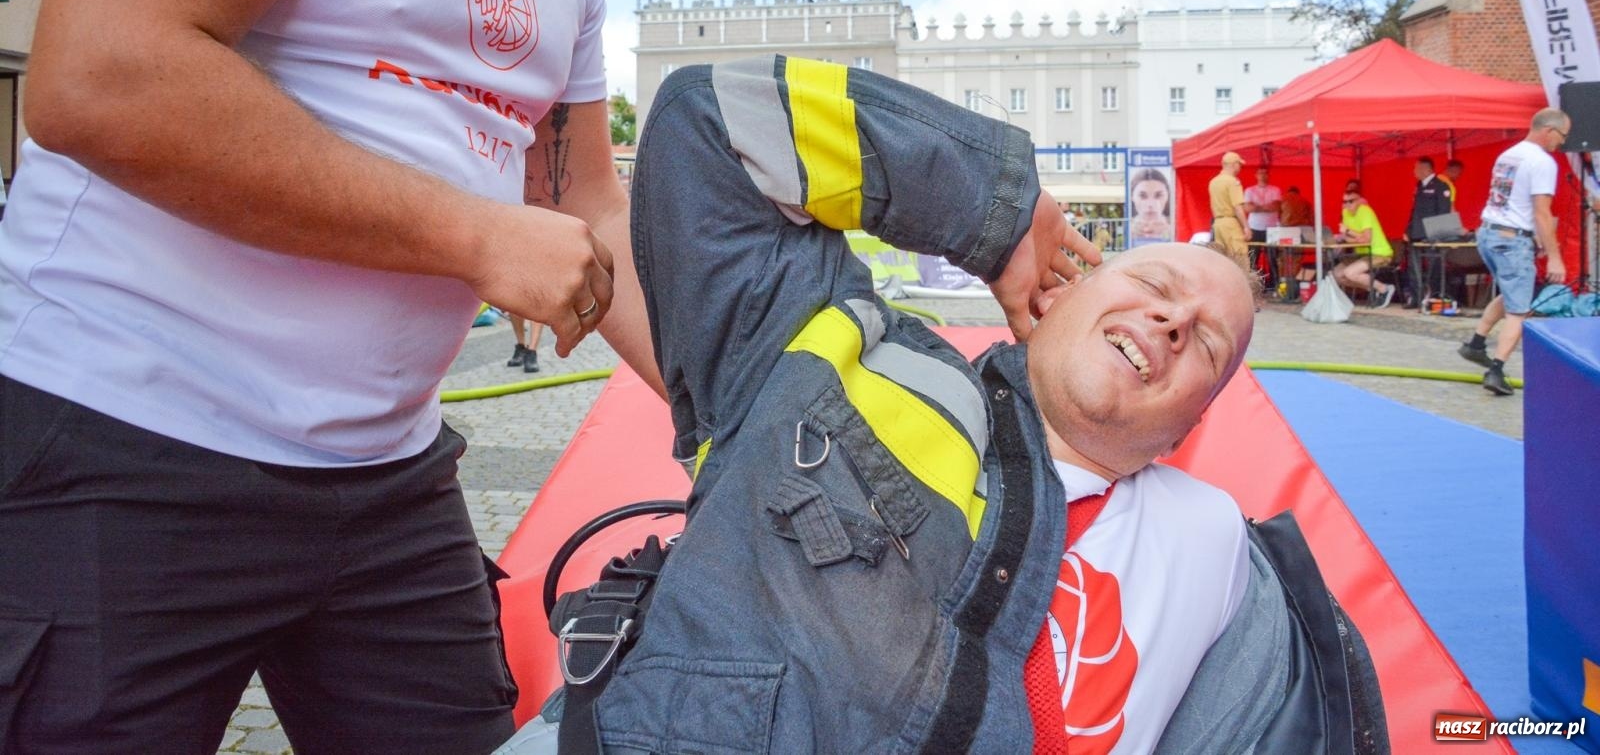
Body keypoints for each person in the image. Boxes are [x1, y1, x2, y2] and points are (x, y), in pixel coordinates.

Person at [0, 0, 686, 751]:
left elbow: (583, 202)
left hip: (385, 480)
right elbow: (99, 75)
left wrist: (734, 411)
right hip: (124, 442)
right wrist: (471, 233)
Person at [510, 57, 1383, 755]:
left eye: (1207, 344)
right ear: (1055, 294)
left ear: (1191, 423)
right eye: (1154, 283)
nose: (1174, 319)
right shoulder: (826, 350)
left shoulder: (1225, 555)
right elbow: (710, 119)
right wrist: (989, 211)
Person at [1459, 109, 1571, 395]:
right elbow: (1542, 213)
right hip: (1512, 240)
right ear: (1549, 130)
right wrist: (1556, 257)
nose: (1562, 142)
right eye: (1562, 136)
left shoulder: (1509, 154)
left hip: (1489, 233)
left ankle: (1476, 343)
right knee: (1519, 310)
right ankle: (1496, 371)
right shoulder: (1542, 162)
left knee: (1512, 292)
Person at [1332, 186, 1397, 308]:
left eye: (1350, 201)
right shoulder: (1345, 212)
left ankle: (1384, 288)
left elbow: (1367, 238)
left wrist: (1349, 232)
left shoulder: (1365, 211)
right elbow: (1349, 239)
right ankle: (1373, 288)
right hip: (1362, 253)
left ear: (1359, 200)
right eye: (1344, 202)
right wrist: (1350, 236)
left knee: (1349, 273)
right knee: (1336, 274)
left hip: (1379, 252)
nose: (1347, 205)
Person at [1403, 156, 1455, 309]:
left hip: (1432, 233)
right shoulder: (1419, 186)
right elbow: (1415, 211)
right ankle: (1415, 298)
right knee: (1414, 268)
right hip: (1416, 232)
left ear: (1426, 169)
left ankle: (1434, 297)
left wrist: (1438, 235)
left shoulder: (1441, 186)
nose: (1414, 172)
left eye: (1416, 168)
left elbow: (1444, 212)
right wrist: (1408, 229)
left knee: (1434, 267)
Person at [1207, 151, 1250, 267]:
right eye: (1239, 164)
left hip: (1218, 223)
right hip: (1231, 223)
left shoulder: (1213, 182)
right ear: (1234, 164)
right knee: (1240, 258)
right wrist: (1246, 227)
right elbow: (1237, 207)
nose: (1240, 167)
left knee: (1222, 258)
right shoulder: (1232, 182)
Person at [1243, 165, 1283, 286]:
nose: (1263, 175)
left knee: (1273, 258)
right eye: (1260, 173)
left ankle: (1275, 284)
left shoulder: (1275, 189)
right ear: (1256, 175)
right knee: (1252, 257)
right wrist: (1266, 207)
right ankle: (1254, 284)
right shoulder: (1249, 190)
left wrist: (1257, 207)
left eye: (1265, 173)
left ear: (1268, 175)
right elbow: (1248, 208)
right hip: (1254, 227)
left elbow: (1276, 206)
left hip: (1272, 228)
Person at [1129, 167, 1173, 244]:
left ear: (1167, 196)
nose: (1150, 204)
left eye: (1158, 195)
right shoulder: (1127, 230)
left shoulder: (1176, 228)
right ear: (1132, 196)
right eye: (1142, 196)